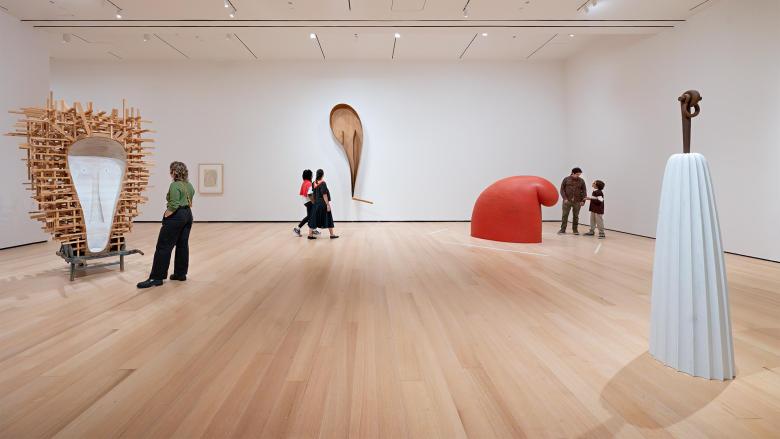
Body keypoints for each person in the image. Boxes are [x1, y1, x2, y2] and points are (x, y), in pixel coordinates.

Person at [137, 161, 195, 288]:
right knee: (182, 245)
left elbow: (174, 204)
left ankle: (156, 278)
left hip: (176, 215)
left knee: (163, 246)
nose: (170, 173)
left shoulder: (174, 185)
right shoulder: (189, 185)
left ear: (174, 172)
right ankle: (180, 274)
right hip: (188, 215)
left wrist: (166, 214)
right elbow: (191, 198)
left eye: (171, 171)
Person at [307, 169, 339, 240]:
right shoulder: (323, 183)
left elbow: (311, 194)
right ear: (322, 175)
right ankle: (332, 234)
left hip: (316, 204)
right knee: (328, 217)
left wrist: (314, 202)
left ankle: (310, 235)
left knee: (313, 218)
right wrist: (327, 204)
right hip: (322, 204)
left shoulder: (313, 183)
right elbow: (324, 195)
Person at [558, 167, 587, 235]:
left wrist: (583, 201)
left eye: (579, 174)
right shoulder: (566, 179)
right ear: (572, 173)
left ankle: (575, 230)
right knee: (565, 215)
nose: (578, 176)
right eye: (577, 174)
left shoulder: (581, 181)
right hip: (567, 201)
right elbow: (562, 190)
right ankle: (562, 229)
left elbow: (584, 191)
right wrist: (565, 198)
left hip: (577, 201)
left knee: (576, 216)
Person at [293, 169, 319, 237]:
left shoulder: (305, 182)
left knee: (310, 216)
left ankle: (313, 229)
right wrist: (314, 202)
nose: (312, 176)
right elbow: (310, 194)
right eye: (312, 175)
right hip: (309, 201)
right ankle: (297, 229)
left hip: (305, 201)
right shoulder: (309, 183)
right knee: (310, 216)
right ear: (309, 176)